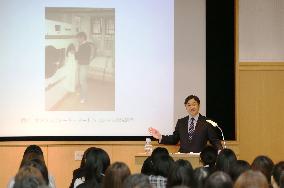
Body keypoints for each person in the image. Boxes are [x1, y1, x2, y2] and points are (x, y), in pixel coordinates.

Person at [149, 95, 222, 153]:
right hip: (183, 157)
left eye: (194, 104)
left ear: (198, 105)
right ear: (186, 107)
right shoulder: (181, 122)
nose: (191, 107)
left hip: (200, 158)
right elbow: (174, 139)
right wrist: (160, 137)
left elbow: (214, 140)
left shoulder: (207, 122)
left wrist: (220, 150)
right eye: (189, 105)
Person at [75, 32, 92, 104]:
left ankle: (84, 98)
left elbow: (77, 57)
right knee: (81, 80)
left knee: (83, 81)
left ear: (82, 38)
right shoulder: (86, 45)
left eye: (78, 38)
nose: (77, 40)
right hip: (83, 64)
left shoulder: (83, 46)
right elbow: (82, 56)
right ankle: (81, 93)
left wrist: (76, 50)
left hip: (83, 65)